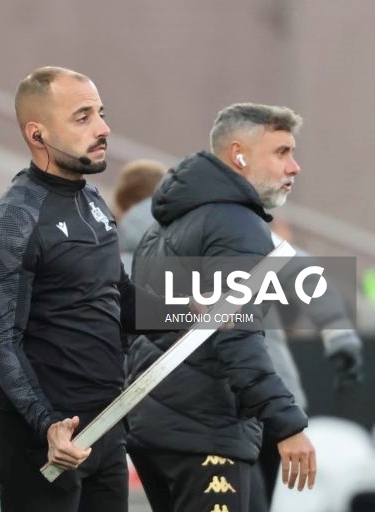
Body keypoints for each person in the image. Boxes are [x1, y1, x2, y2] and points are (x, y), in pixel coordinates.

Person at [0, 66, 152, 512]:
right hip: (45, 443)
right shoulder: (14, 217)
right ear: (38, 134)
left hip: (106, 428)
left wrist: (188, 315)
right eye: (83, 117)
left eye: (101, 114)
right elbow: (2, 340)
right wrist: (47, 423)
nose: (103, 128)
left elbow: (120, 296)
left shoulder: (92, 201)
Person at [126, 103, 316, 512]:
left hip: (154, 432)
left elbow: (154, 320)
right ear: (239, 155)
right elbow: (237, 335)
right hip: (205, 431)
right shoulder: (236, 224)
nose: (294, 167)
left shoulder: (165, 222)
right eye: (281, 152)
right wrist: (287, 424)